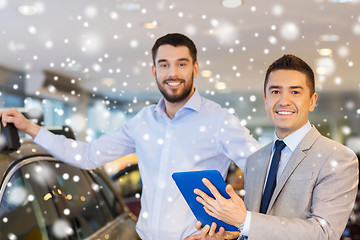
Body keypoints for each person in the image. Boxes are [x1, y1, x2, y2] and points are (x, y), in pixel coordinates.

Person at [0, 33, 260, 240]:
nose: (173, 73)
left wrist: (237, 229)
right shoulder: (143, 122)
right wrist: (30, 128)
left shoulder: (219, 120)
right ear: (154, 71)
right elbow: (87, 156)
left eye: (182, 64)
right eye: (164, 64)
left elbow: (265, 172)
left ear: (195, 68)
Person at [194, 54, 359, 240]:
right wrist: (230, 235)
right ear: (266, 99)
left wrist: (244, 221)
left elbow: (324, 234)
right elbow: (253, 228)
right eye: (275, 91)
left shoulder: (338, 158)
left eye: (295, 92)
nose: (284, 101)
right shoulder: (255, 160)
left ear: (312, 101)